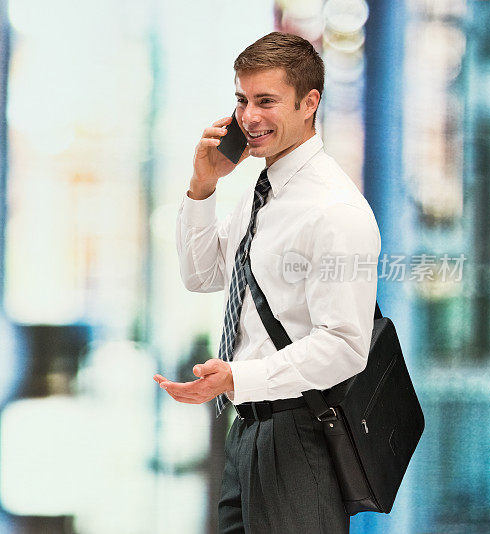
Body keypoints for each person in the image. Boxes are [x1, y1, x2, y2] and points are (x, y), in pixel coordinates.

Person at [152, 32, 381, 533]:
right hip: (248, 430)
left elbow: (345, 346)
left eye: (266, 101)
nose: (249, 117)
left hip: (300, 432)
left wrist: (239, 377)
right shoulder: (264, 194)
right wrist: (203, 187)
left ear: (309, 103)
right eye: (242, 100)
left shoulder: (334, 210)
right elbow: (203, 274)